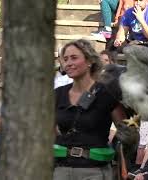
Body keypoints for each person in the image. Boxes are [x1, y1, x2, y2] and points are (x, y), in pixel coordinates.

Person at [53, 39, 126, 180]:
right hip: (61, 170)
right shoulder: (58, 94)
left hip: (94, 171)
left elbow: (126, 133)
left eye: (74, 58)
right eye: (65, 59)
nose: (68, 63)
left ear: (89, 61)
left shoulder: (107, 93)